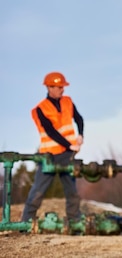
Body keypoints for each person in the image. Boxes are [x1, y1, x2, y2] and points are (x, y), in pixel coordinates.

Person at [22, 71, 84, 222]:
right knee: (38, 191)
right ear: (49, 87)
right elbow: (50, 131)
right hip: (48, 156)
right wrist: (70, 145)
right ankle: (25, 222)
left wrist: (80, 135)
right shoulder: (40, 109)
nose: (62, 89)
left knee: (72, 191)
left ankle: (74, 221)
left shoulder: (67, 101)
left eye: (63, 86)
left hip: (66, 155)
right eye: (59, 87)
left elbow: (79, 118)